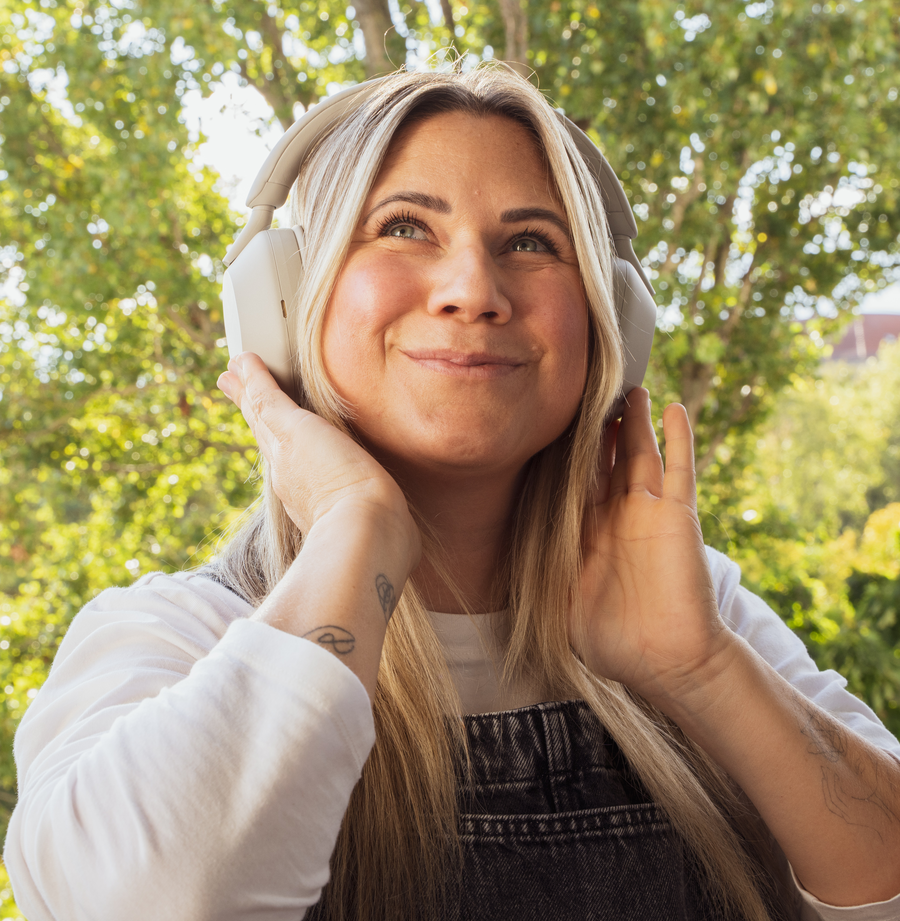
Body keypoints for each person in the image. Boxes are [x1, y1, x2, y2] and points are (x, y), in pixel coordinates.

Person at [5, 67, 900, 921]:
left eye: (531, 242)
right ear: (281, 304)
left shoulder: (704, 614)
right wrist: (355, 533)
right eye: (403, 227)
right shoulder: (167, 638)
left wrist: (700, 671)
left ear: (610, 325)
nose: (473, 290)